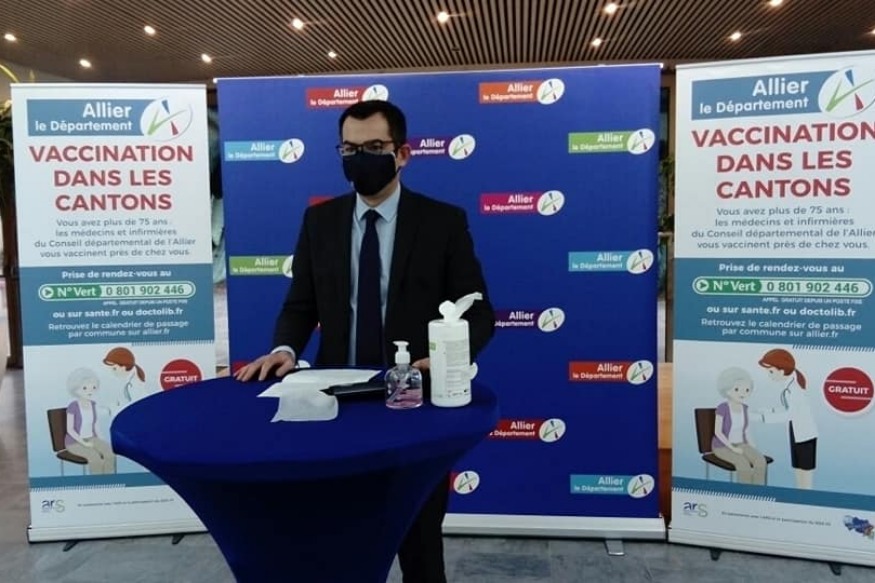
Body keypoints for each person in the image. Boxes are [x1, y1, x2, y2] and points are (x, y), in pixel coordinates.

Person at [235, 99, 495, 582]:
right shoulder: (319, 222)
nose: (361, 159)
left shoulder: (442, 222)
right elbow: (300, 305)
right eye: (350, 149)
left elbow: (478, 311)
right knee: (336, 541)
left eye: (374, 147)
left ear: (403, 154)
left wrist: (446, 358)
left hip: (414, 403)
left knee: (420, 545)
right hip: (338, 402)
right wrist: (284, 349)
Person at [754, 348, 817, 489]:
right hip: (796, 431)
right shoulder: (789, 386)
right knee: (798, 468)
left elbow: (790, 414)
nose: (769, 375)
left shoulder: (794, 390)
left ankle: (805, 495)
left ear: (781, 370)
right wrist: (768, 411)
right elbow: (786, 408)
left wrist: (762, 417)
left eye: (771, 372)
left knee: (805, 471)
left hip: (805, 435)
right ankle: (800, 494)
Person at [711, 367, 767, 485]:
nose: (742, 393)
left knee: (761, 461)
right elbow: (718, 432)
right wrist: (732, 448)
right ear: (727, 390)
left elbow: (746, 430)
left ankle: (758, 491)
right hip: (722, 447)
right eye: (737, 389)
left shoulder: (745, 409)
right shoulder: (722, 408)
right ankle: (745, 492)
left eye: (747, 390)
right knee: (743, 464)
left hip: (741, 444)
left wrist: (753, 446)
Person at [64, 368, 116, 474]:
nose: (90, 391)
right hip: (74, 442)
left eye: (93, 387)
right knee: (95, 458)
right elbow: (70, 430)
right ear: (75, 389)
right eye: (85, 388)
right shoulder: (73, 406)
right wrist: (84, 443)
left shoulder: (93, 405)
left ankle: (108, 479)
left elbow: (95, 425)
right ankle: (97, 481)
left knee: (110, 454)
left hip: (92, 438)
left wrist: (102, 440)